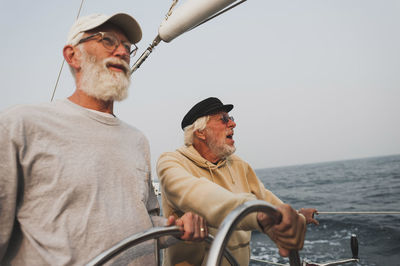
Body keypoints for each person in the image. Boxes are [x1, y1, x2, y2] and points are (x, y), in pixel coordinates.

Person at [0, 13, 207, 265]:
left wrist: (175, 228)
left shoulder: (137, 140)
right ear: (72, 55)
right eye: (108, 40)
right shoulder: (20, 125)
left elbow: (142, 223)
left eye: (128, 47)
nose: (122, 52)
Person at [157, 97, 318, 266]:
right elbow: (199, 195)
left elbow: (268, 201)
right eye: (224, 119)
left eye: (231, 119)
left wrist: (296, 216)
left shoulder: (239, 165)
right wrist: (257, 214)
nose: (233, 124)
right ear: (200, 132)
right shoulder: (171, 162)